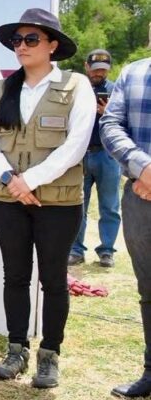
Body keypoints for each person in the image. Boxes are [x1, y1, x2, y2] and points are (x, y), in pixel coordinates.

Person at [0, 8, 93, 389]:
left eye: (31, 40)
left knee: (53, 279)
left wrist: (31, 179)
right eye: (17, 40)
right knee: (15, 276)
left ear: (52, 46)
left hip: (57, 203)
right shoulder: (2, 90)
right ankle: (16, 349)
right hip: (8, 198)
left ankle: (50, 354)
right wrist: (12, 179)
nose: (22, 47)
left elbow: (75, 146)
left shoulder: (76, 86)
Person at [100, 53, 151, 398]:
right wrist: (143, 167)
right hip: (141, 196)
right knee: (149, 287)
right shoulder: (132, 73)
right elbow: (110, 125)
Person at [70, 48, 121, 267]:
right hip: (80, 155)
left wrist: (107, 113)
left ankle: (107, 251)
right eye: (95, 69)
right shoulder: (76, 89)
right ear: (86, 66)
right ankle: (76, 250)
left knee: (109, 206)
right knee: (77, 205)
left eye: (103, 70)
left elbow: (125, 124)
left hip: (107, 156)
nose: (99, 74)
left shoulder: (117, 91)